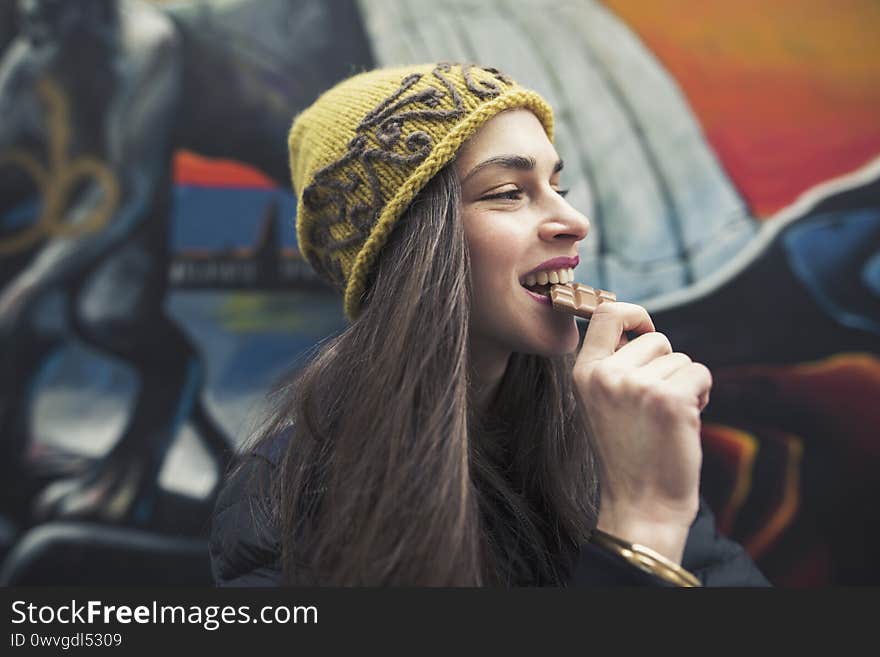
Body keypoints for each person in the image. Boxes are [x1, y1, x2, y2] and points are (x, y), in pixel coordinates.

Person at [208, 62, 770, 587]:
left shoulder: (607, 441)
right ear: (409, 251)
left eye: (559, 187)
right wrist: (639, 530)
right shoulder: (282, 496)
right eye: (508, 193)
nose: (574, 221)